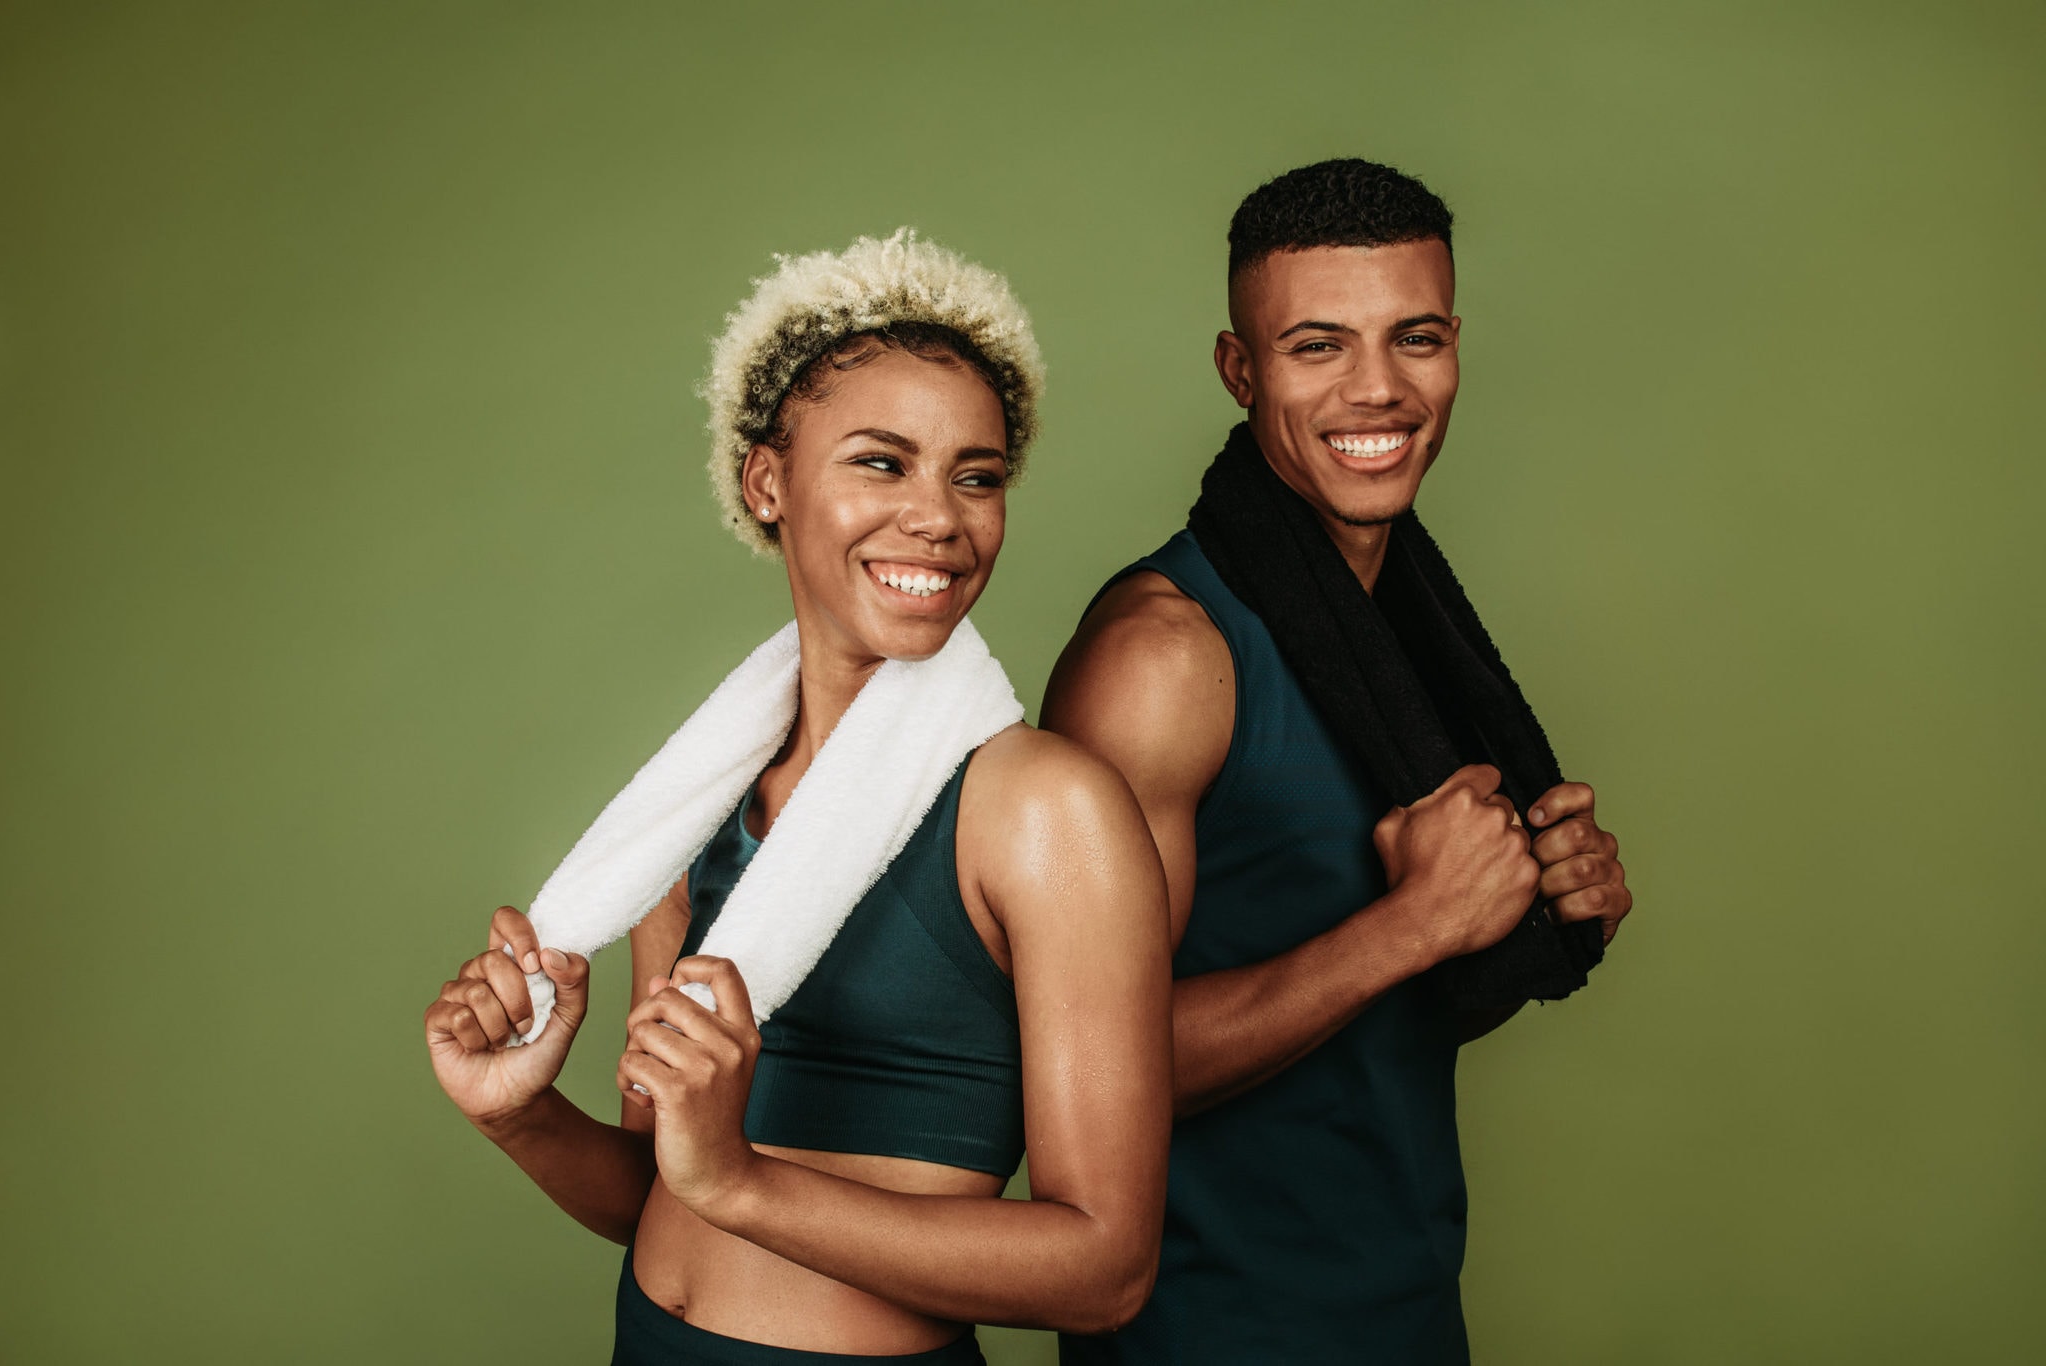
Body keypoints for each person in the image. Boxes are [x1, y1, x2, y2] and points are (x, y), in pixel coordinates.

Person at [424, 231, 1172, 1365]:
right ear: (765, 480)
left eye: (976, 475)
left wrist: (742, 1182)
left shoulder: (1043, 810)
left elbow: (1105, 1269)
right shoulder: (693, 807)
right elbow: (656, 1193)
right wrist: (514, 1111)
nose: (938, 516)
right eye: (882, 461)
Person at [1042, 161, 1635, 1363]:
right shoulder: (1163, 660)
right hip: (1212, 1335)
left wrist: (1526, 912)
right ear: (1238, 369)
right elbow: (1092, 1076)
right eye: (1316, 346)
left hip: (1404, 1311)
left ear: (1454, 342)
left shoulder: (1389, 642)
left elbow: (1358, 1029)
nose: (1378, 388)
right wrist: (1414, 924)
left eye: (1412, 337)